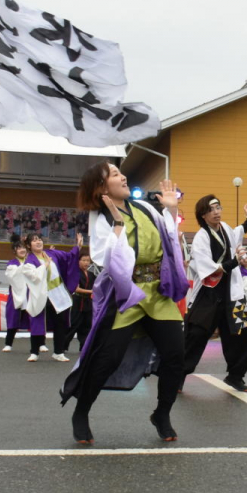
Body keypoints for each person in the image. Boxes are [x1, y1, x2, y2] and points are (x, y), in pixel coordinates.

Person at [60, 162, 187, 445]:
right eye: (115, 174)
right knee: (107, 359)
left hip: (157, 292)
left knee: (176, 355)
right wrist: (117, 223)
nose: (123, 176)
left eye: (121, 172)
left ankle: (162, 413)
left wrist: (171, 209)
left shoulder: (145, 209)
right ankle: (81, 412)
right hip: (126, 295)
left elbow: (170, 241)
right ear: (102, 187)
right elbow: (105, 259)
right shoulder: (101, 217)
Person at [182, 196, 247, 392]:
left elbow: (236, 239)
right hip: (209, 293)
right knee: (196, 334)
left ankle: (235, 376)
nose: (216, 212)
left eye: (218, 207)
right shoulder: (201, 237)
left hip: (234, 292)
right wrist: (235, 262)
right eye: (211, 209)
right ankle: (178, 374)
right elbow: (209, 269)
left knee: (240, 332)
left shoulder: (225, 228)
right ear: (203, 215)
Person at [21, 232, 75, 362]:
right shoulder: (29, 260)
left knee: (60, 323)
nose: (38, 242)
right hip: (41, 295)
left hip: (57, 293)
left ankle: (58, 352)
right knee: (38, 322)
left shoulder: (51, 254)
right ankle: (34, 352)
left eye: (39, 239)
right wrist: (44, 265)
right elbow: (33, 276)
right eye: (34, 241)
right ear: (29, 245)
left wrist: (76, 247)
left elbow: (67, 258)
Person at [2, 237, 38, 354]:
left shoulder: (32, 261)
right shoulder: (12, 263)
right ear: (14, 251)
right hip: (16, 294)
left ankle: (40, 343)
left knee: (35, 318)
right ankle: (8, 343)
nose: (21, 250)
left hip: (31, 293)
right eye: (18, 248)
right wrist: (25, 265)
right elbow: (13, 275)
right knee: (13, 318)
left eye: (23, 247)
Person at [68, 246, 97, 351]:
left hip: (88, 302)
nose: (86, 263)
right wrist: (91, 292)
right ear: (78, 261)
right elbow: (77, 289)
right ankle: (63, 347)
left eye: (88, 260)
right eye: (83, 260)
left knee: (87, 325)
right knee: (74, 324)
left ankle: (84, 347)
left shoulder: (91, 274)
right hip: (77, 301)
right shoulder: (75, 273)